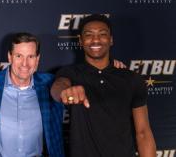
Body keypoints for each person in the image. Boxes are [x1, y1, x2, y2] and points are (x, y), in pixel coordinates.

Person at [51, 14, 156, 157]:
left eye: (102, 34)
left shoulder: (132, 79)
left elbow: (143, 132)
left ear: (111, 40)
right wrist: (65, 92)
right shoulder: (70, 73)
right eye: (89, 35)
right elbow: (58, 87)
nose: (95, 39)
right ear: (81, 41)